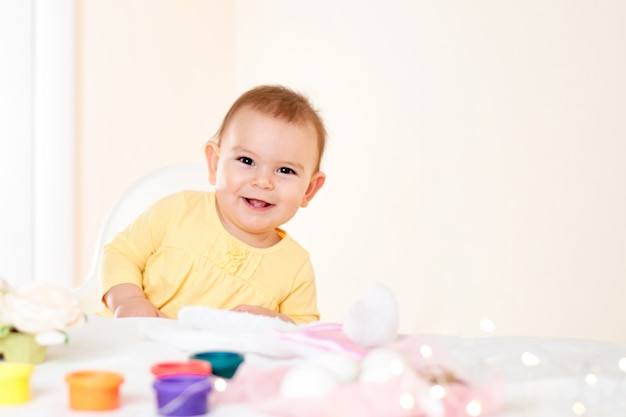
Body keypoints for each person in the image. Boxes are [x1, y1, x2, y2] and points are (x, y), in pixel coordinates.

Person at [100, 85, 327, 324]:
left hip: (210, 361)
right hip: (131, 340)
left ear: (309, 189)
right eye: (247, 160)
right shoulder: (177, 211)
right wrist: (129, 300)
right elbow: (120, 253)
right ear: (215, 164)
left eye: (285, 170)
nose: (262, 181)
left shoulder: (294, 268)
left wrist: (276, 323)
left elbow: (306, 332)